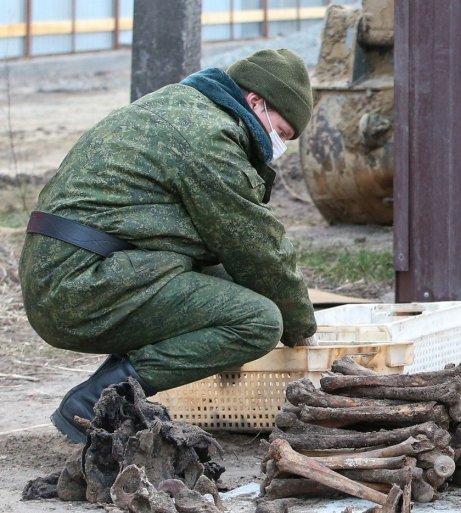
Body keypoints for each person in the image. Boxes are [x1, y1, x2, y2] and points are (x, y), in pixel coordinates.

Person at [19, 49, 319, 443]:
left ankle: (111, 394)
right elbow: (257, 245)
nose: (279, 143)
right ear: (255, 102)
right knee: (258, 321)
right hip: (77, 282)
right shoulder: (208, 137)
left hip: (72, 266)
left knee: (235, 285)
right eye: (280, 132)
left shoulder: (183, 107)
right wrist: (302, 330)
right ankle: (96, 402)